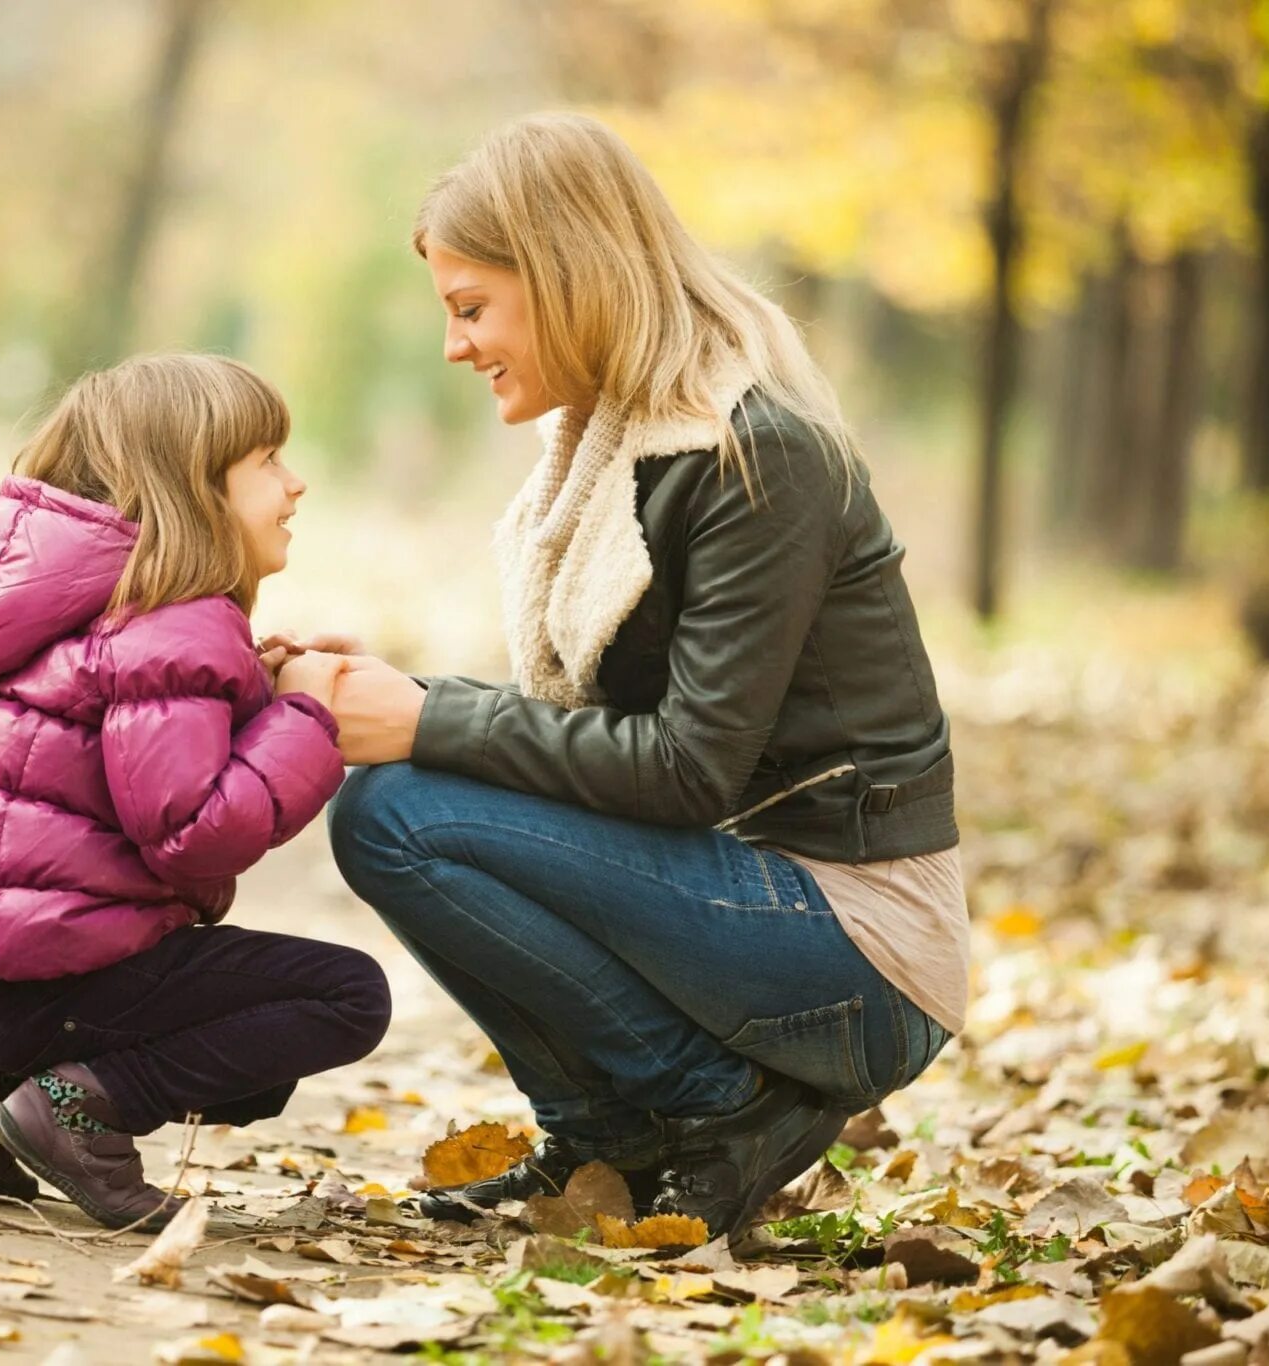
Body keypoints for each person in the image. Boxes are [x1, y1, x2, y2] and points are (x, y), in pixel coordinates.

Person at [316, 114, 967, 1246]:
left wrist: (426, 717)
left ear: (567, 277)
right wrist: (394, 693)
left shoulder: (752, 451)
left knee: (400, 810)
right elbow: (603, 746)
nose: (454, 346)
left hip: (859, 950)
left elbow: (680, 768)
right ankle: (606, 1142)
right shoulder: (610, 451)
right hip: (754, 893)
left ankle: (723, 1108)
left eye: (470, 308)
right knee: (397, 802)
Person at [0, 353, 391, 1230]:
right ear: (195, 489)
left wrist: (262, 693)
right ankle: (73, 1107)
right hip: (54, 980)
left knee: (255, 1063)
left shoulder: (97, 608)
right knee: (344, 997)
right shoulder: (176, 624)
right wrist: (309, 715)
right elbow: (194, 829)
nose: (296, 482)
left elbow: (127, 760)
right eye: (268, 460)